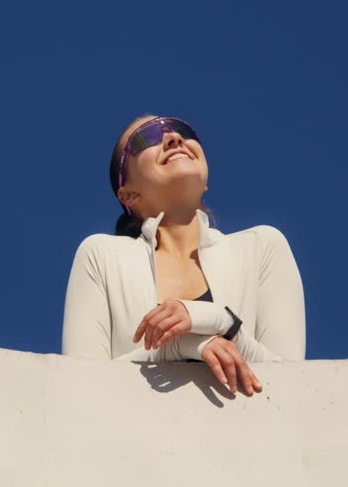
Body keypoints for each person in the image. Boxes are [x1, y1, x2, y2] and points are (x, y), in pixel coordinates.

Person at [61, 114, 306, 396]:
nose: (174, 138)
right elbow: (84, 385)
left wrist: (218, 319)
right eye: (147, 137)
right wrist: (184, 345)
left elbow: (292, 383)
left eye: (182, 130)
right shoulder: (100, 256)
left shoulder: (262, 247)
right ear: (127, 195)